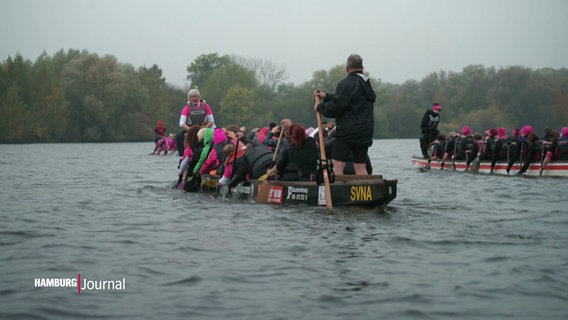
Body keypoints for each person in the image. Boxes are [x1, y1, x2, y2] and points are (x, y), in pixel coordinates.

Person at [313, 54, 376, 175]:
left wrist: (320, 107)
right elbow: (348, 100)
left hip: (348, 131)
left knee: (338, 163)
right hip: (365, 131)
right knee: (360, 165)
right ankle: (363, 192)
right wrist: (326, 97)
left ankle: (337, 191)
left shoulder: (346, 83)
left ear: (347, 68)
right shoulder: (367, 83)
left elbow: (337, 107)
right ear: (361, 67)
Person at [176, 89, 215, 156]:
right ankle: (182, 154)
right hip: (191, 128)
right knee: (178, 136)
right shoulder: (186, 108)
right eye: (192, 96)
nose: (195, 98)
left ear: (199, 98)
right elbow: (181, 123)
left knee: (216, 133)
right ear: (189, 99)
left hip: (204, 127)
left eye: (196, 96)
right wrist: (191, 130)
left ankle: (213, 151)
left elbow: (211, 121)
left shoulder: (205, 106)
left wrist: (203, 129)